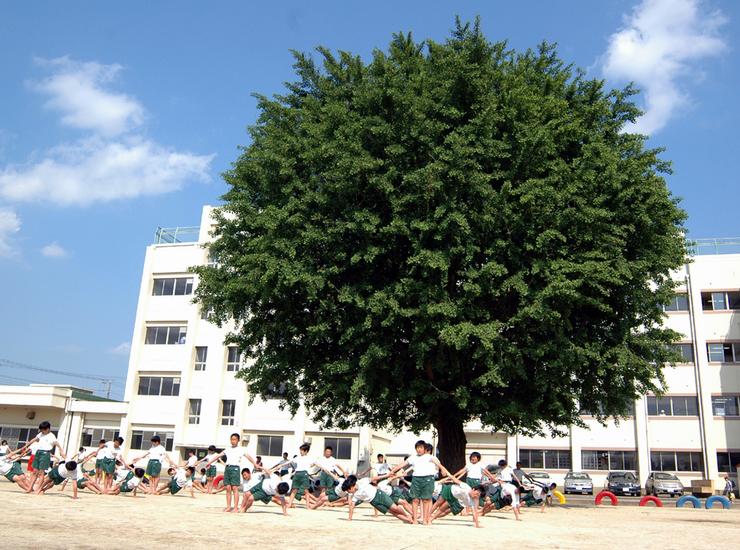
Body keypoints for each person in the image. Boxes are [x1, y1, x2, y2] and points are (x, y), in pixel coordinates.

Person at [388, 440, 458, 525]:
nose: (419, 449)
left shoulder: (429, 457)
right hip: (416, 479)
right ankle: (415, 520)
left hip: (428, 479)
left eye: (421, 447)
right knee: (415, 499)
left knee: (426, 499)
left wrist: (443, 470)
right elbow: (402, 465)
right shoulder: (413, 457)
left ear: (424, 449)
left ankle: (425, 520)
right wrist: (393, 471)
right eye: (417, 448)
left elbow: (439, 465)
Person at [203, 433, 258, 512]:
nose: (233, 441)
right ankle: (228, 507)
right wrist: (209, 462)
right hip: (227, 468)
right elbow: (218, 456)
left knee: (235, 488)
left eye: (235, 439)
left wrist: (254, 464)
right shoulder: (227, 449)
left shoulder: (241, 449)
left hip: (235, 468)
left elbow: (248, 456)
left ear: (238, 440)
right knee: (228, 488)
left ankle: (235, 507)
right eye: (231, 439)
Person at [343, 475, 413, 524]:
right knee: (393, 512)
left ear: (351, 487)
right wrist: (350, 518)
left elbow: (374, 478)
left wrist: (387, 475)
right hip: (374, 502)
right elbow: (352, 506)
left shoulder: (362, 481)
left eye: (348, 490)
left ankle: (407, 516)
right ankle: (408, 520)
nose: (348, 492)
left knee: (395, 508)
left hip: (379, 495)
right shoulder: (355, 495)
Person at [20, 421, 66, 493]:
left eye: (43, 429)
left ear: (47, 429)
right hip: (38, 453)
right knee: (35, 472)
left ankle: (38, 489)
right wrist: (25, 446)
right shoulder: (41, 434)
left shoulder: (52, 436)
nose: (41, 431)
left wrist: (61, 450)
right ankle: (30, 488)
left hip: (45, 454)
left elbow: (57, 444)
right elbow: (34, 440)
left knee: (41, 473)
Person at [287, 443, 317, 509]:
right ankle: (289, 504)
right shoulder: (297, 457)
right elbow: (289, 462)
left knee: (306, 491)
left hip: (304, 474)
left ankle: (307, 506)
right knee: (294, 490)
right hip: (297, 474)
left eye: (302, 450)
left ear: (306, 451)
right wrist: (280, 466)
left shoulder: (310, 458)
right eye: (300, 450)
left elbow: (317, 463)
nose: (300, 451)